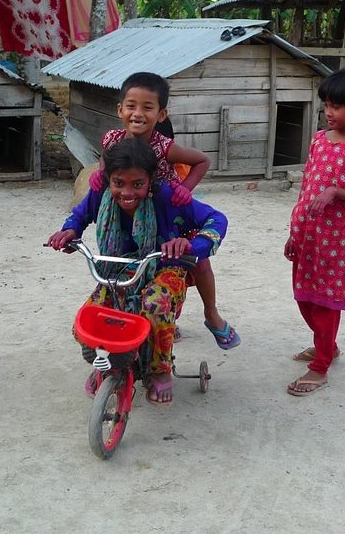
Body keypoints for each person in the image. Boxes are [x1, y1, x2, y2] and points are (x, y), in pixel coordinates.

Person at [48, 137, 229, 406]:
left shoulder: (167, 196)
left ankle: (160, 369)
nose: (127, 193)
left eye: (138, 184)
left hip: (164, 267)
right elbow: (80, 214)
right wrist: (69, 231)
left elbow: (216, 219)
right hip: (118, 269)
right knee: (93, 314)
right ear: (107, 178)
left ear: (151, 180)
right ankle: (108, 363)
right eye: (118, 183)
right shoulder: (100, 194)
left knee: (155, 305)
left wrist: (192, 244)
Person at [87, 71, 240, 350]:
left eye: (148, 107)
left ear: (161, 114)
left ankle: (211, 314)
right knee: (129, 263)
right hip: (130, 208)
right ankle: (152, 321)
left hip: (168, 212)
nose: (138, 113)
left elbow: (202, 161)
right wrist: (99, 175)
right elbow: (106, 164)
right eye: (131, 105)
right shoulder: (111, 139)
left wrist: (185, 188)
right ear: (120, 109)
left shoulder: (164, 147)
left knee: (196, 261)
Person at [284, 66, 345, 396]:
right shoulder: (317, 140)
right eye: (326, 105)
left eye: (336, 107)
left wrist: (339, 193)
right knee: (304, 298)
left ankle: (321, 365)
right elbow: (306, 189)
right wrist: (293, 231)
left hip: (335, 241)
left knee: (324, 302)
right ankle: (327, 345)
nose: (328, 112)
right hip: (306, 234)